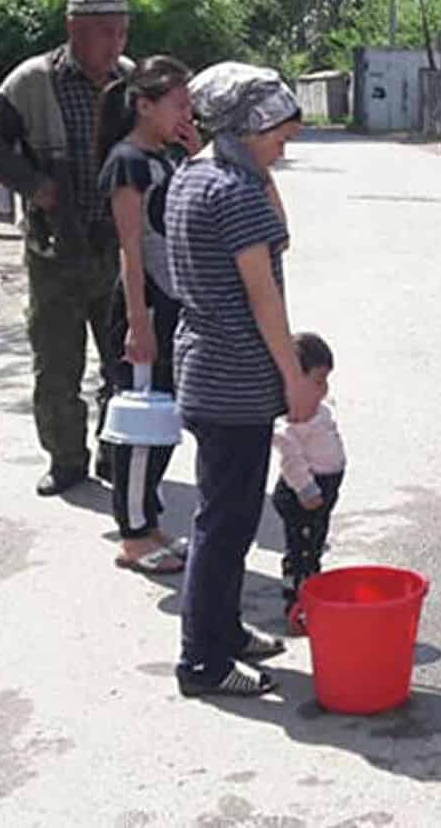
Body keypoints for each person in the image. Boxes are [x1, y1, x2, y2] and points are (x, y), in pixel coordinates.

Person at [167, 62, 323, 698]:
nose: (284, 147)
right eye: (276, 135)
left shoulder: (195, 175)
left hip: (204, 366)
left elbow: (276, 237)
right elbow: (264, 297)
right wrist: (293, 376)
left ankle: (224, 630)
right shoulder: (232, 191)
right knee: (225, 524)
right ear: (247, 126)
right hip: (233, 378)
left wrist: (262, 171)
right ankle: (202, 662)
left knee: (224, 516)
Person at [0, 0, 134, 496]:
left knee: (124, 361)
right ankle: (66, 459)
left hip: (117, 248)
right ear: (73, 30)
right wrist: (34, 185)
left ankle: (117, 453)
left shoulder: (132, 81)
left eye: (122, 31)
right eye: (104, 32)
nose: (115, 44)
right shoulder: (34, 79)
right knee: (57, 362)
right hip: (55, 247)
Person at [96, 56, 196, 575]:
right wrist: (138, 321)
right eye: (178, 103)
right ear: (144, 105)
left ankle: (149, 519)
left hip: (174, 304)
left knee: (164, 416)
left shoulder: (170, 158)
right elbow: (130, 247)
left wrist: (196, 151)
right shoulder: (128, 161)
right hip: (145, 305)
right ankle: (132, 533)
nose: (187, 111)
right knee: (140, 416)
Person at [270, 331, 346, 636]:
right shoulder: (291, 422)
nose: (324, 389)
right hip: (305, 494)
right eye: (317, 381)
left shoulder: (318, 411)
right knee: (300, 551)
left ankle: (312, 596)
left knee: (313, 547)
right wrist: (306, 488)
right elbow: (291, 459)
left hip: (324, 490)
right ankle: (296, 603)